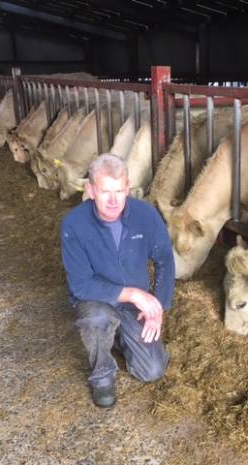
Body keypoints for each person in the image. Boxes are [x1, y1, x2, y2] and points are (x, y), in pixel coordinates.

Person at [60, 153, 175, 408]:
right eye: (104, 192)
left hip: (134, 307)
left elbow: (165, 260)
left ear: (127, 188)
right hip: (98, 300)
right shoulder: (74, 224)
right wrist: (134, 294)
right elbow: (81, 285)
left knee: (153, 370)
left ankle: (119, 338)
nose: (113, 201)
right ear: (90, 190)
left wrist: (158, 307)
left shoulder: (146, 215)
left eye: (119, 191)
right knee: (97, 319)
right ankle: (102, 375)